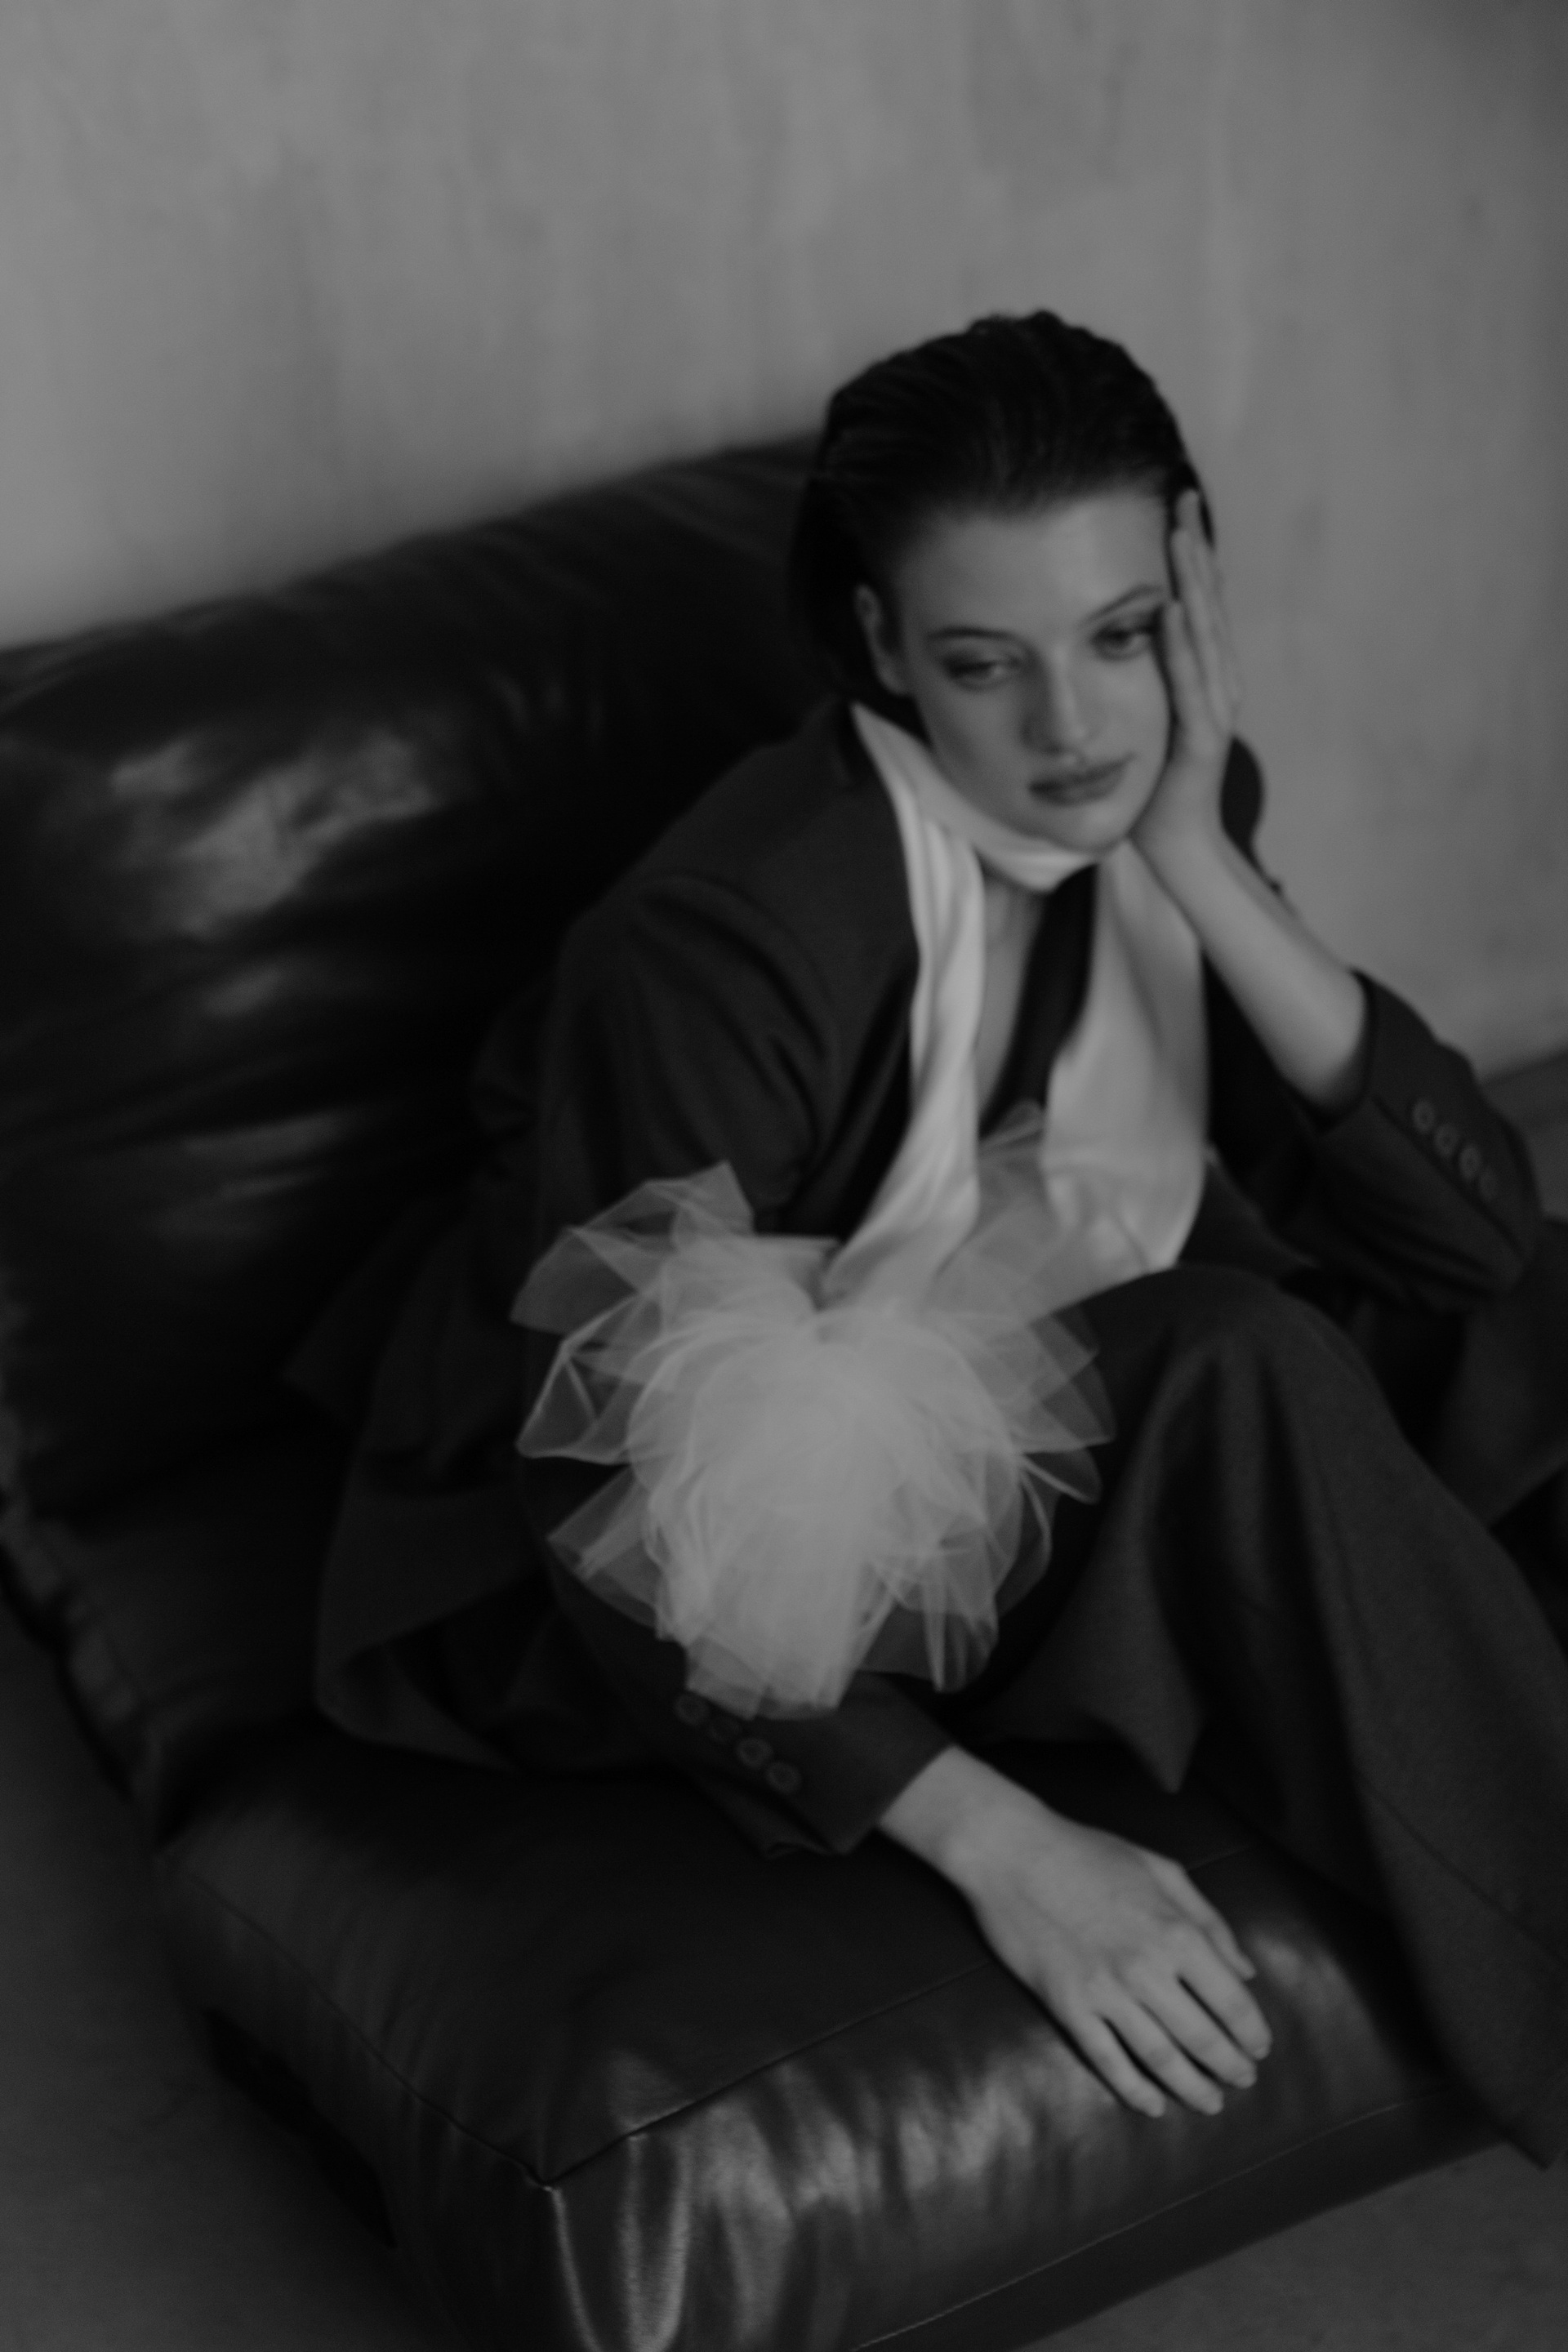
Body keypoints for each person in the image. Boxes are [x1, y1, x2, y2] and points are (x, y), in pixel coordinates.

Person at [305, 311, 1568, 2157]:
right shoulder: (729, 945)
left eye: (1123, 636)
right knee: (1237, 1363)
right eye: (988, 663)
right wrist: (1004, 1844)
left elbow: (1474, 1245)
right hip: (646, 1555)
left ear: (1192, 603)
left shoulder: (1160, 797)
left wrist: (1197, 861)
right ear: (883, 645)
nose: (1075, 729)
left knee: (1537, 1309)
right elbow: (611, 1500)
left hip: (979, 1399)